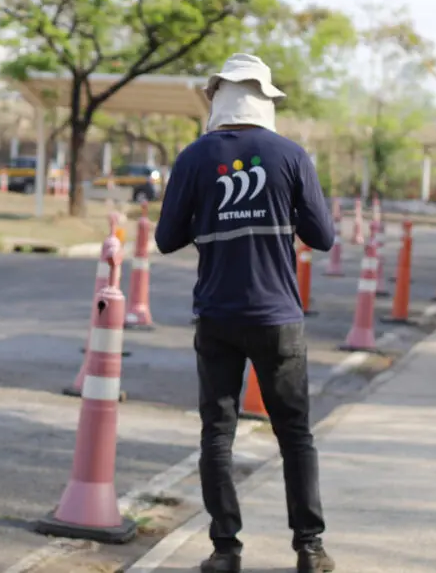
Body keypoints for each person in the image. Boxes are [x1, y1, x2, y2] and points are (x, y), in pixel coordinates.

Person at [154, 53, 336, 573]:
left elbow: (167, 238)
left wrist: (209, 210)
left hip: (216, 317)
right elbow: (321, 237)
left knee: (218, 433)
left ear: (218, 100)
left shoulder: (192, 159)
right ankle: (310, 549)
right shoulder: (291, 156)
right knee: (295, 434)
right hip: (278, 318)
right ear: (265, 101)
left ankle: (225, 551)